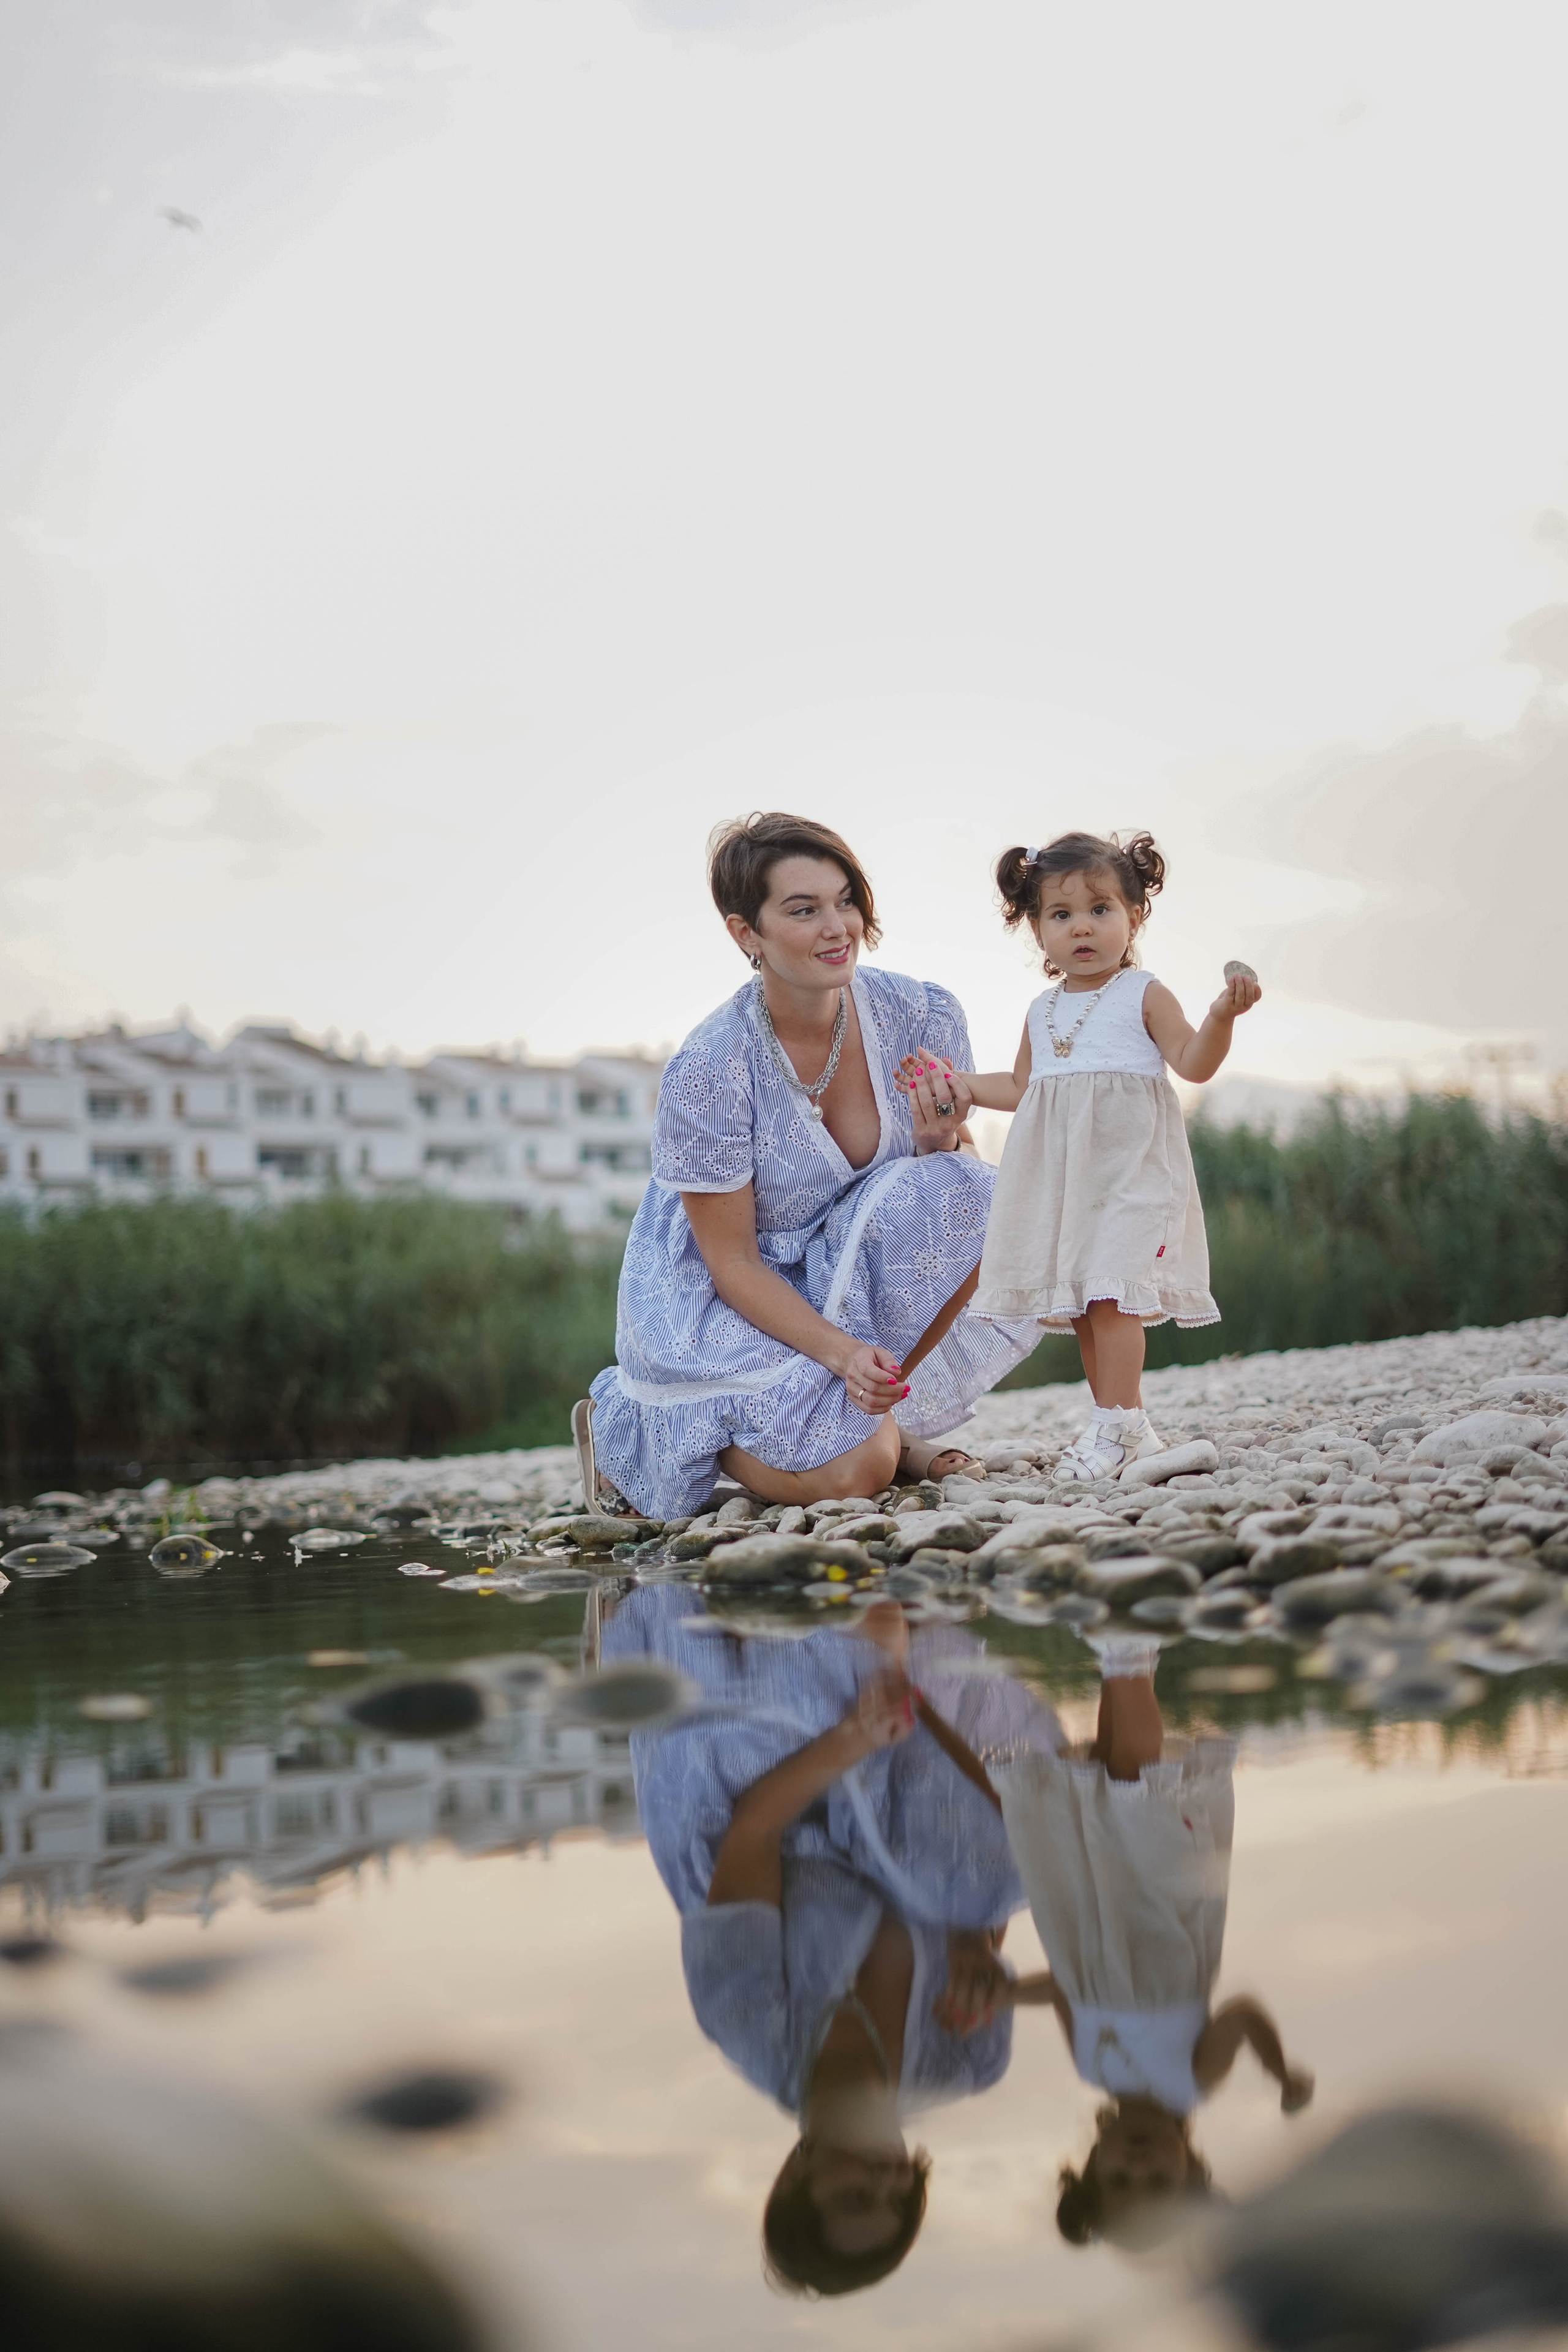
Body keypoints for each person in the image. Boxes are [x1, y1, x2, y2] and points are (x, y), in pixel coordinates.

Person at [575, 812, 1040, 1519]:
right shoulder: (710, 1068)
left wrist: (938, 1140)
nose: (837, 927)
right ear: (745, 934)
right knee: (858, 1472)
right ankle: (633, 1431)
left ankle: (883, 1415)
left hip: (841, 1264)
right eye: (803, 910)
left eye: (845, 900)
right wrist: (842, 1353)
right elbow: (730, 1264)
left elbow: (953, 1188)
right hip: (721, 1294)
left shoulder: (919, 1013)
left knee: (975, 1190)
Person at [600, 1583, 1061, 2295]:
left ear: (797, 2172)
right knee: (1003, 1877)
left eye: (854, 2196)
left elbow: (752, 1827)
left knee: (774, 1719)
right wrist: (975, 1940)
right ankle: (893, 1661)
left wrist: (853, 1738)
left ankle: (847, 1651)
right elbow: (976, 1865)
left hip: (759, 1811)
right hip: (894, 1822)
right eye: (898, 2199)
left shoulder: (746, 2024)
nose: (885, 2179)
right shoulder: (966, 2062)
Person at [897, 829, 1261, 1483]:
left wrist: (1221, 1018)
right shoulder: (1043, 1010)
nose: (1082, 928)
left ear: (1134, 916)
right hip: (1064, 1187)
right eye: (1060, 915)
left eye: (1100, 910)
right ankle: (1125, 1428)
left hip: (1130, 1177)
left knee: (1115, 1299)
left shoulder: (1143, 994)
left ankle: (1117, 1425)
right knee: (1090, 1304)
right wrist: (956, 1085)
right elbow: (1019, 1087)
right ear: (1037, 930)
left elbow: (1193, 1063)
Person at [933, 1636, 1313, 2249]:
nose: (1137, 2166)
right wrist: (1277, 2070)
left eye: (1117, 2179)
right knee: (1139, 1793)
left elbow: (1069, 1992)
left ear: (1088, 2165)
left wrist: (1005, 1998)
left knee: (1104, 1788)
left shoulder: (1092, 2068)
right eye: (1158, 2181)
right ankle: (1130, 1656)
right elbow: (1239, 2016)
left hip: (1091, 1900)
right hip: (1165, 1908)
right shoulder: (1192, 2083)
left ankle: (1114, 1657)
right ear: (1190, 2166)